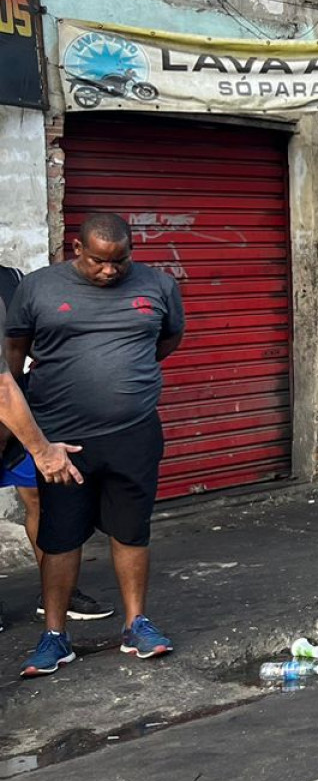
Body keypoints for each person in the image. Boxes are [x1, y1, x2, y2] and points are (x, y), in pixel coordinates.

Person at [6, 214, 185, 677]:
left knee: (131, 530)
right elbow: (13, 355)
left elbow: (168, 339)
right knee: (60, 536)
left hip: (135, 432)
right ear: (76, 249)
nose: (110, 271)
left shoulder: (159, 286)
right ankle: (54, 636)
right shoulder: (39, 288)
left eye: (119, 262)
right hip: (62, 439)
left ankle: (137, 624)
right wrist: (29, 434)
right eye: (99, 262)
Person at [0, 266, 115, 634]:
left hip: (16, 409)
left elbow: (27, 340)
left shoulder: (13, 278)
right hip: (8, 401)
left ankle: (57, 593)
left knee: (37, 493)